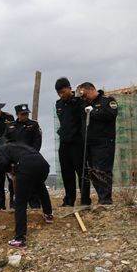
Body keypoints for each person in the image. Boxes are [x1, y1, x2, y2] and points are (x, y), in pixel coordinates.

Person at [0, 138, 54, 249]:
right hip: (43, 165)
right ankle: (48, 214)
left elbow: (4, 164)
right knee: (40, 187)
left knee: (20, 202)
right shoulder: (20, 145)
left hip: (26, 167)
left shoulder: (1, 149)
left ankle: (20, 239)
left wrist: (11, 171)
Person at [79, 82, 118, 205]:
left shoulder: (107, 100)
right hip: (90, 143)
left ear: (91, 90)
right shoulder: (85, 104)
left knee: (103, 170)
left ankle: (105, 200)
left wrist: (94, 112)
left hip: (103, 142)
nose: (84, 98)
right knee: (93, 172)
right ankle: (102, 198)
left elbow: (111, 114)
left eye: (85, 95)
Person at [55, 77, 89, 206]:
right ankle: (69, 200)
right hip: (64, 142)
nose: (61, 95)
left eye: (63, 92)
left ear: (70, 89)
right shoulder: (58, 104)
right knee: (66, 172)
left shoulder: (79, 101)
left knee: (81, 172)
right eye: (59, 93)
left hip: (77, 142)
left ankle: (85, 199)